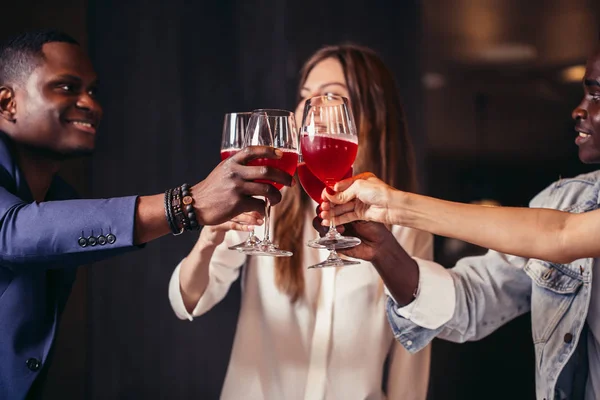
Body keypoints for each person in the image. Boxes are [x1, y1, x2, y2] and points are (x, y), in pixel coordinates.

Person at [0, 29, 292, 400]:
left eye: (93, 91)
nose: (91, 104)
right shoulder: (43, 211)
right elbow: (13, 233)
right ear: (7, 102)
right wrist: (187, 204)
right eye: (67, 87)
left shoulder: (60, 199)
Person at [320, 45, 600, 400]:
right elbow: (472, 302)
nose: (579, 110)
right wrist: (385, 251)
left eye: (597, 94)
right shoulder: (562, 201)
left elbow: (561, 236)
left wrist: (395, 204)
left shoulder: (562, 221)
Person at [168, 44, 432, 400]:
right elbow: (188, 301)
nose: (312, 110)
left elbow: (413, 343)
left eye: (332, 96)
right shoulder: (268, 203)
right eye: (306, 97)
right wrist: (207, 242)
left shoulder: (405, 223)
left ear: (373, 114)